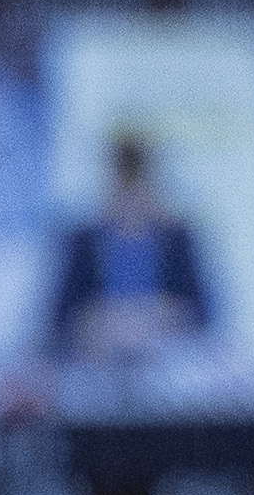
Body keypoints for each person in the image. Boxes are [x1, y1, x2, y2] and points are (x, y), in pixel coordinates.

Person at [47, 133, 215, 363]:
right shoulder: (83, 241)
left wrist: (162, 316)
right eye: (123, 186)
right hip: (97, 365)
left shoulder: (177, 240)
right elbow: (58, 320)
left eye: (138, 186)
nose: (131, 197)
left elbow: (203, 314)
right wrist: (96, 321)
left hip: (167, 363)